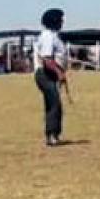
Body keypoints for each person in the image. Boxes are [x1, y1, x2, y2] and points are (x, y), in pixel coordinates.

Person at [33, 8, 68, 147]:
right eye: (60, 19)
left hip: (50, 73)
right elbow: (47, 59)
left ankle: (52, 134)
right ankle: (52, 135)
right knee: (55, 103)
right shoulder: (48, 36)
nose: (62, 22)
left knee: (51, 103)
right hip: (45, 73)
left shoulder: (52, 36)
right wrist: (60, 74)